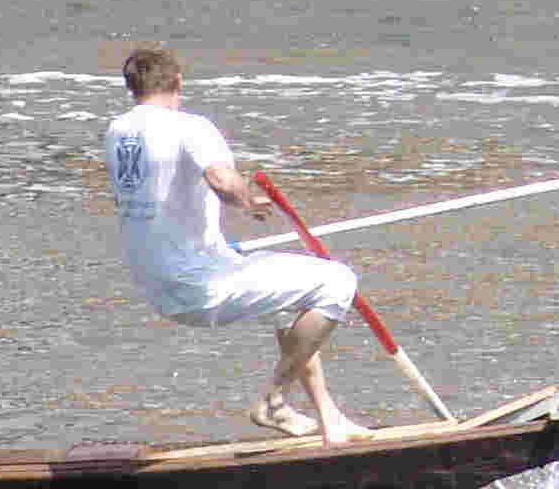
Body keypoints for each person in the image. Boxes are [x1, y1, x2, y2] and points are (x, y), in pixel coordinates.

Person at [105, 46, 367, 444]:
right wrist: (247, 197)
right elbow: (222, 180)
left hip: (157, 281)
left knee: (289, 300)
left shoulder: (118, 131)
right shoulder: (189, 127)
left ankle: (329, 418)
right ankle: (273, 400)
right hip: (201, 284)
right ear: (179, 83)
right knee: (338, 283)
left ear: (132, 88)